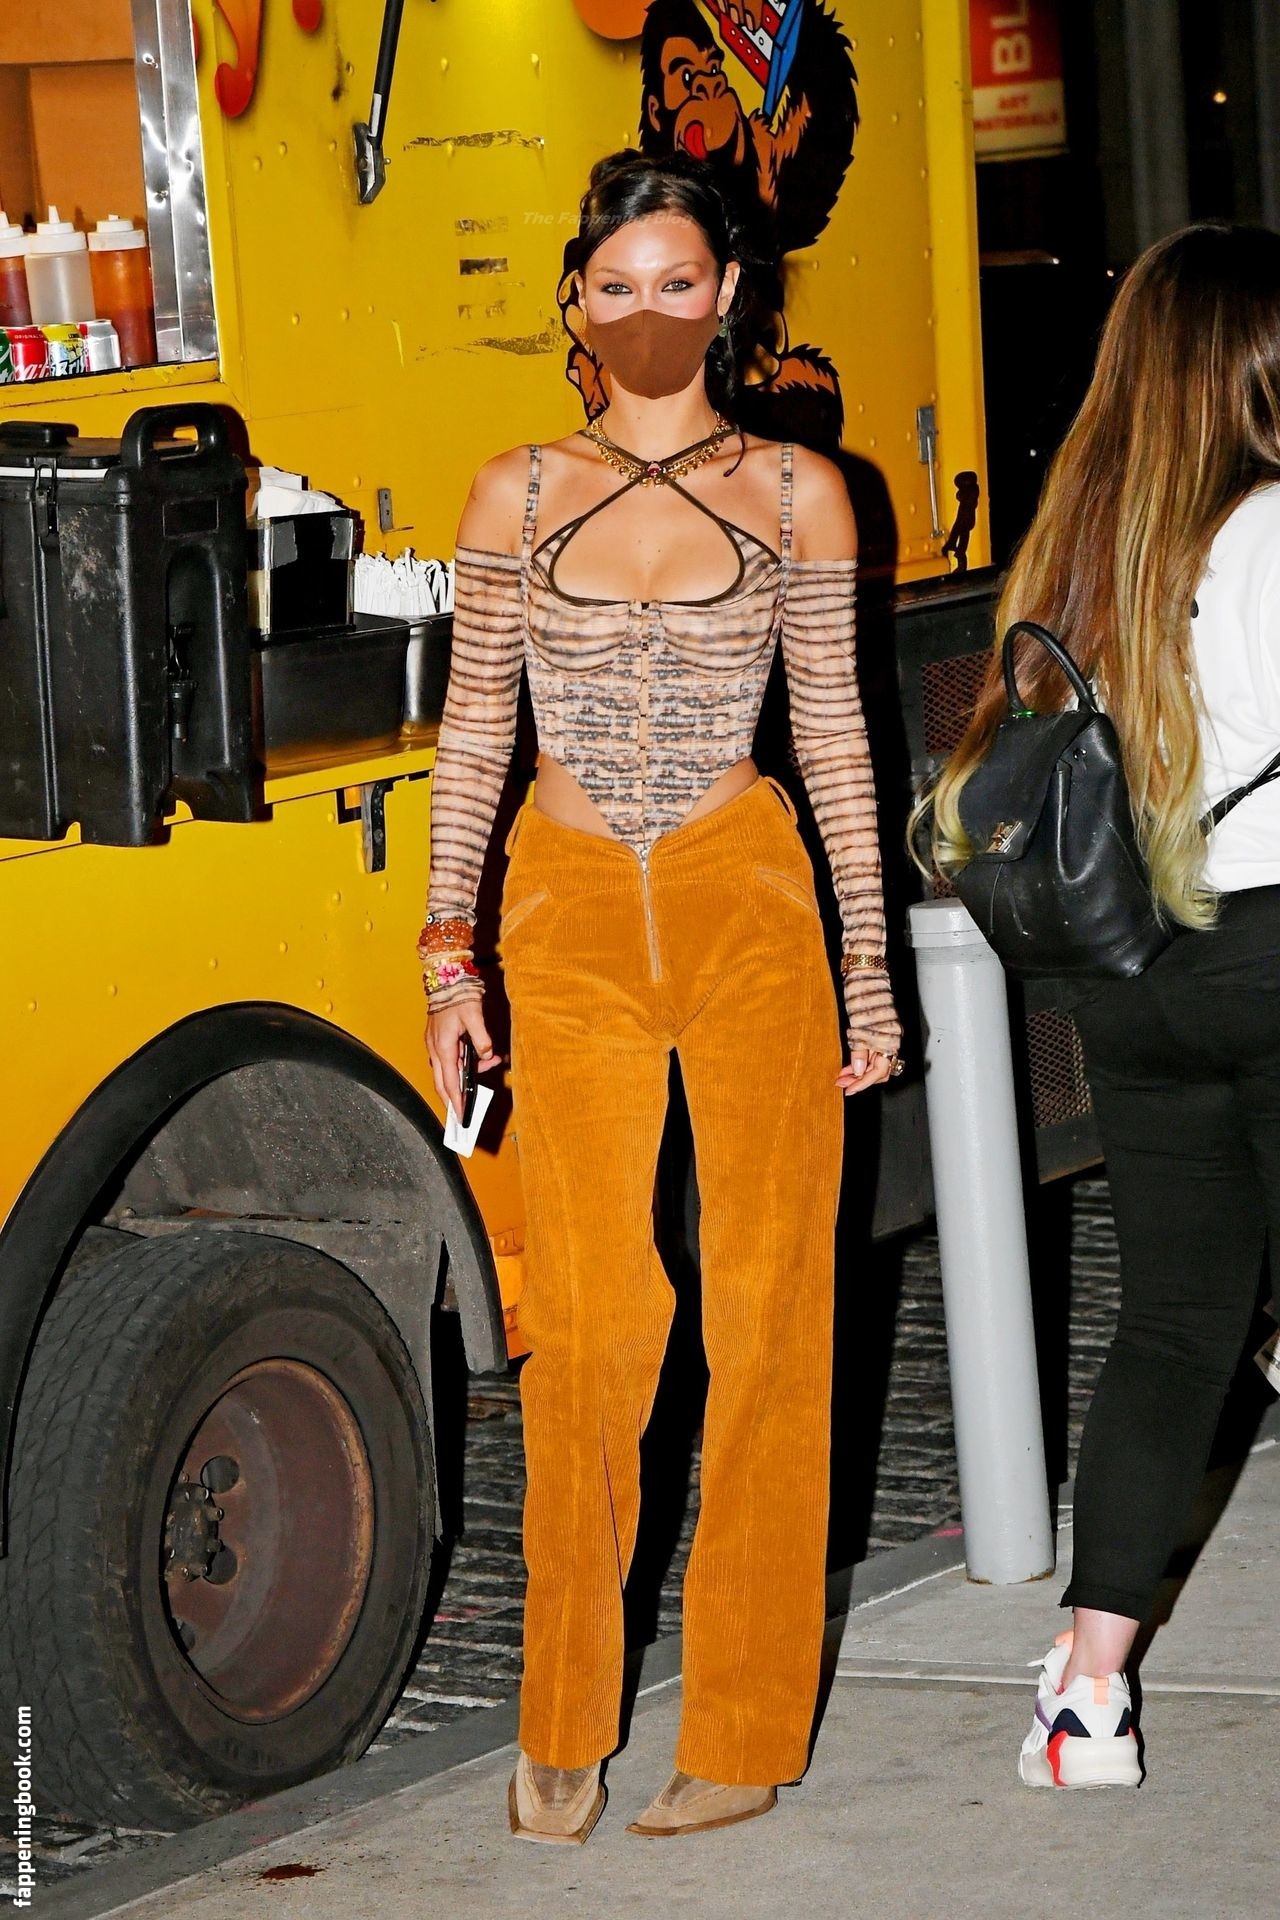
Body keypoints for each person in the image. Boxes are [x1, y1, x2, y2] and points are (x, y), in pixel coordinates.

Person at [419, 148, 902, 1842]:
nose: (645, 313)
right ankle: (563, 1713)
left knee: (773, 1306)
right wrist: (448, 956)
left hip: (743, 889)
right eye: (616, 286)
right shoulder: (513, 493)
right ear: (577, 299)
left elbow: (836, 730)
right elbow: (473, 732)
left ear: (729, 295)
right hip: (561, 902)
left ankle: (747, 1725)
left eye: (676, 283)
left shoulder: (800, 492)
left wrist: (869, 964)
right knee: (593, 1320)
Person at [920, 222, 1280, 1790]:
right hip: (1273, 953)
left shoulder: (1086, 543)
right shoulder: (1275, 531)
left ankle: (1085, 1696)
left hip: (1140, 981)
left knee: (1174, 1328)